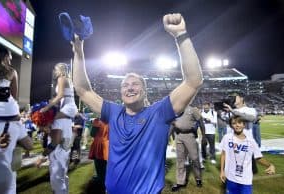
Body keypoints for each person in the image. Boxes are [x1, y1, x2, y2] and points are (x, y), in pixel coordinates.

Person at [72, 13, 203, 193]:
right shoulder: (113, 112)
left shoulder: (159, 113)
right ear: (121, 92)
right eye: (125, 85)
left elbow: (193, 81)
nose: (130, 88)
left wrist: (181, 35)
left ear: (144, 91)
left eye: (135, 84)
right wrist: (78, 50)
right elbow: (82, 89)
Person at [0, 43, 33, 194]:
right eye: (9, 57)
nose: (10, 60)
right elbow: (13, 97)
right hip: (8, 117)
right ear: (4, 56)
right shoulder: (12, 72)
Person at [36, 63, 78, 194]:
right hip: (68, 115)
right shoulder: (68, 80)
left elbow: (59, 96)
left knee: (57, 180)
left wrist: (46, 108)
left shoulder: (62, 78)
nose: (54, 71)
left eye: (55, 69)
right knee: (62, 177)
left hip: (68, 109)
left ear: (60, 70)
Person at [220, 115, 276, 194]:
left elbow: (258, 157)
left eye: (239, 122)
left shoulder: (250, 141)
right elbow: (223, 154)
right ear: (231, 126)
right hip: (230, 178)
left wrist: (270, 165)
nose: (237, 125)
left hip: (245, 179)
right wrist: (222, 171)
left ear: (243, 124)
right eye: (234, 123)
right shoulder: (227, 137)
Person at [170, 105, 205, 192]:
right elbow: (172, 124)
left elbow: (201, 122)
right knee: (180, 159)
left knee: (194, 158)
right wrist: (168, 135)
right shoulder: (176, 109)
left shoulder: (193, 109)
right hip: (179, 135)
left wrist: (204, 136)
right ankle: (180, 182)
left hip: (189, 135)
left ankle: (198, 178)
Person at [88, 117, 109, 190]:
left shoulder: (97, 120)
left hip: (99, 143)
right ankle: (103, 179)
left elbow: (92, 134)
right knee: (105, 164)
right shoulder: (112, 119)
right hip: (107, 143)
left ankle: (101, 181)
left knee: (99, 163)